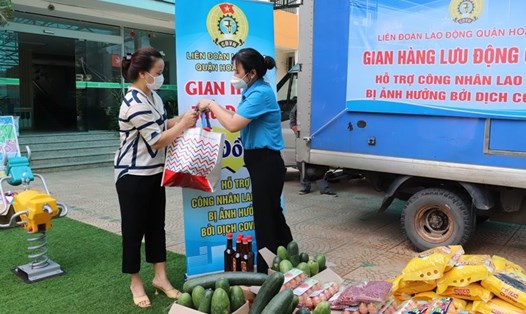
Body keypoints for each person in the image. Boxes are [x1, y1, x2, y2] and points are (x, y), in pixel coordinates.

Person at [197, 48, 293, 273]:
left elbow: (232, 125)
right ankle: (289, 258)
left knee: (265, 219)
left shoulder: (260, 94)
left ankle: (265, 271)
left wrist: (211, 104)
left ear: (251, 73)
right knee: (273, 215)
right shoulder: (252, 91)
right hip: (260, 162)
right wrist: (213, 107)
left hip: (266, 163)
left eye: (236, 70)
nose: (233, 74)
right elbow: (235, 119)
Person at [115, 47, 198, 308]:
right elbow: (157, 140)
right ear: (143, 74)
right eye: (158, 72)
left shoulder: (153, 97)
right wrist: (183, 125)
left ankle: (160, 277)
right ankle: (135, 281)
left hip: (154, 173)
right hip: (132, 176)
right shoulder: (134, 103)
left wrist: (183, 118)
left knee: (155, 226)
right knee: (133, 230)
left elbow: (162, 125)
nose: (161, 76)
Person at [289, 104, 337, 196]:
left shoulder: (321, 102)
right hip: (303, 135)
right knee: (302, 162)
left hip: (318, 135)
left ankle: (323, 188)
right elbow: (292, 114)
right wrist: (294, 127)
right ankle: (306, 187)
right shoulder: (303, 101)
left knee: (319, 163)